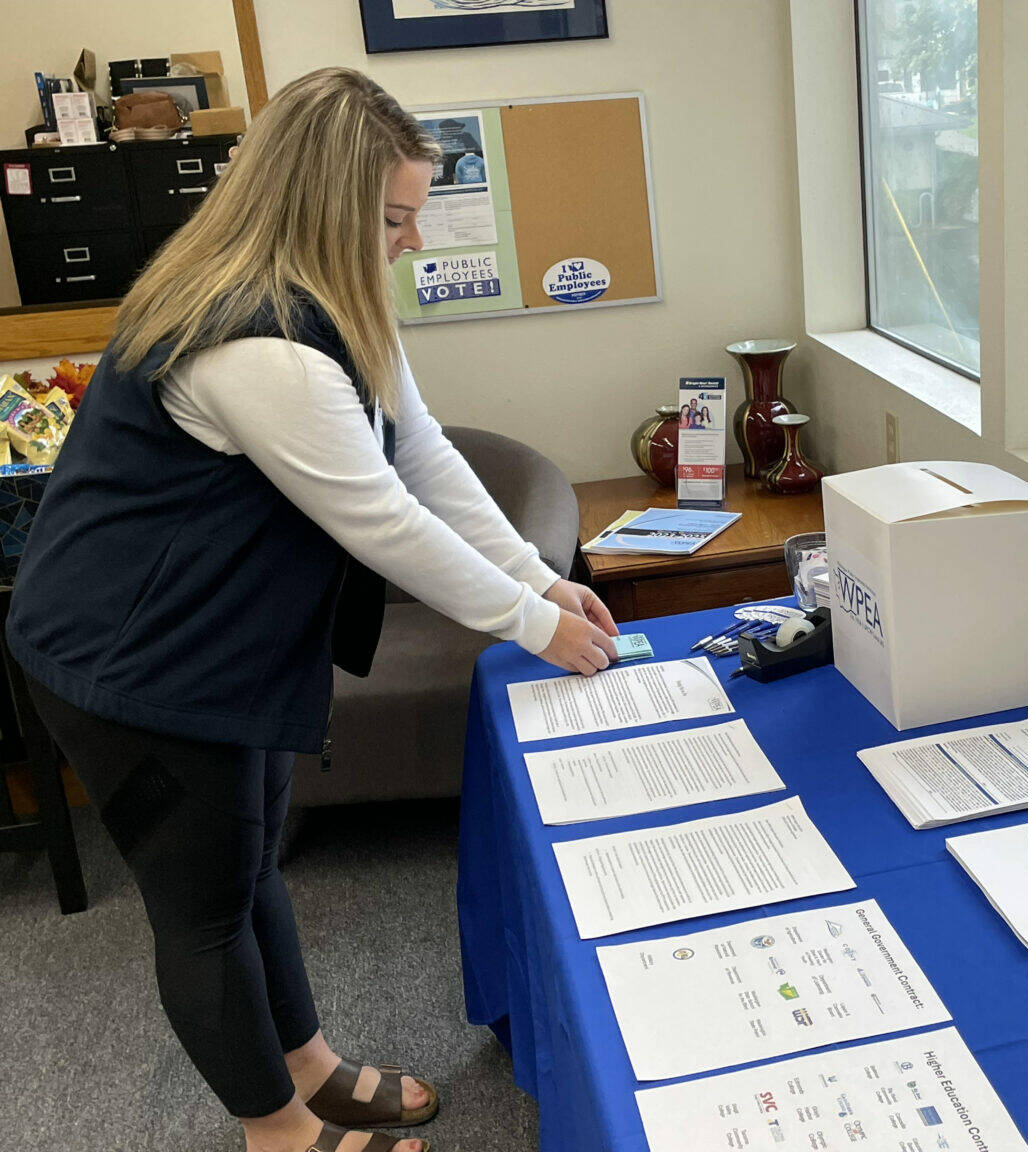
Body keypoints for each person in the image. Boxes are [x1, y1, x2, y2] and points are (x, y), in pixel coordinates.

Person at [6, 68, 619, 1152]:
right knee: (204, 909)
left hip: (223, 640)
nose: (410, 243)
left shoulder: (329, 293)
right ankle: (280, 1133)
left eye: (418, 215)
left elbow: (419, 448)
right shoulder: (258, 340)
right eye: (394, 218)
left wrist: (536, 573)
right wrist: (538, 626)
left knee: (249, 866)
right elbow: (382, 523)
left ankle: (307, 1068)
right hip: (130, 661)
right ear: (325, 205)